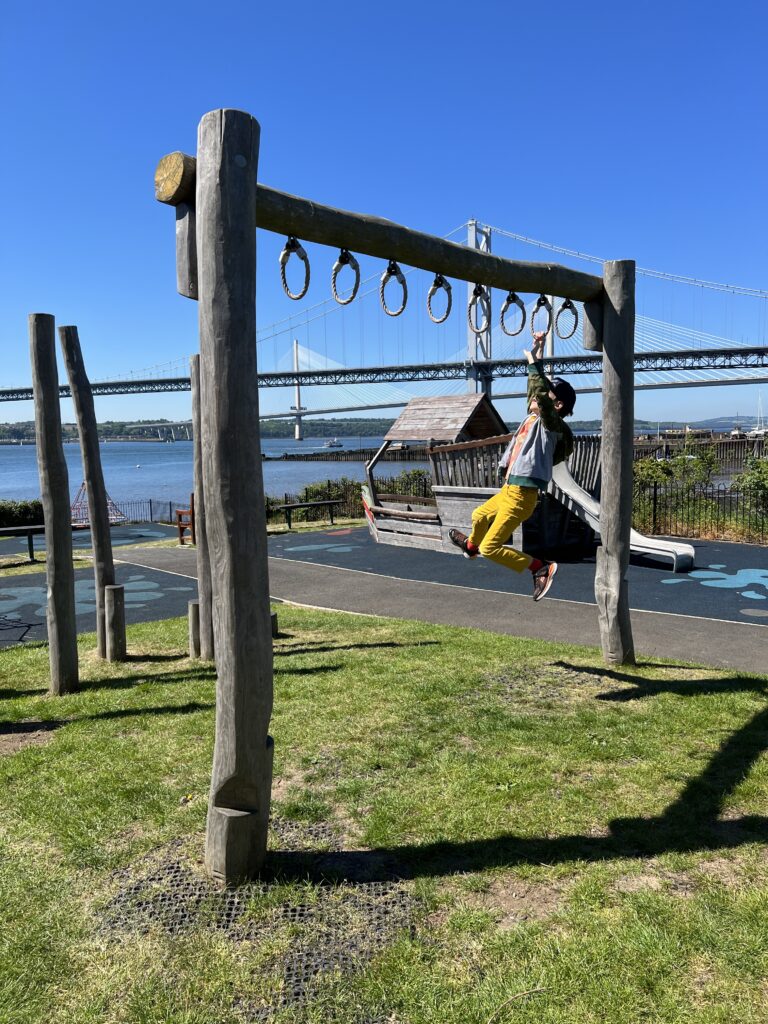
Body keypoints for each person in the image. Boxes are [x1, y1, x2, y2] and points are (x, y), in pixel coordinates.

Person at [449, 331, 576, 601]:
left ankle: (539, 567)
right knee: (478, 517)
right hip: (509, 490)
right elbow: (537, 390)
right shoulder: (534, 418)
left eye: (546, 395)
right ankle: (471, 547)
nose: (534, 397)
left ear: (558, 405)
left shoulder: (551, 425)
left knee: (493, 548)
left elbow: (540, 393)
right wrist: (538, 350)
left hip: (522, 496)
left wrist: (532, 366)